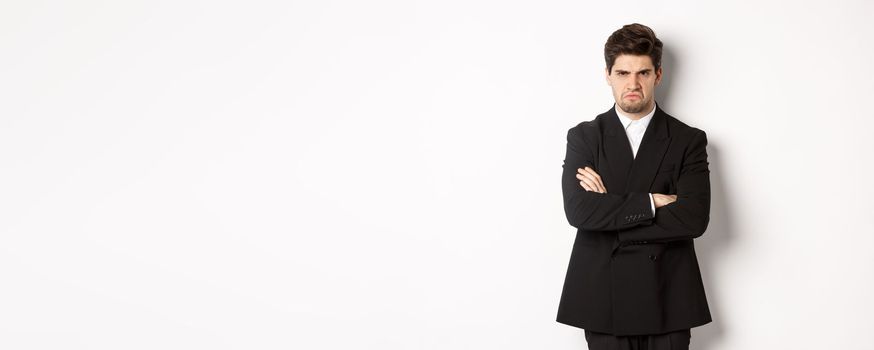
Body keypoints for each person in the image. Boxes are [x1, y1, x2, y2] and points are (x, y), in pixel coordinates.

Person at [556, 23, 712, 350]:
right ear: (608, 75)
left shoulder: (688, 140)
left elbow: (694, 218)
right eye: (623, 72)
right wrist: (653, 202)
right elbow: (579, 211)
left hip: (667, 295)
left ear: (658, 75)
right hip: (604, 298)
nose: (633, 83)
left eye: (642, 73)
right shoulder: (584, 137)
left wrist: (610, 209)